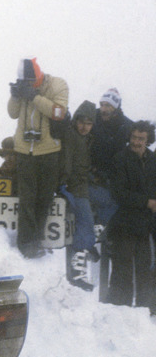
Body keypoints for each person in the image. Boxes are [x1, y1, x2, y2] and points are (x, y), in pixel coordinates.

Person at [7, 57, 69, 258]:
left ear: (38, 75)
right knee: (26, 199)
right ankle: (26, 245)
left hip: (49, 151)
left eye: (30, 82)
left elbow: (59, 112)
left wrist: (34, 97)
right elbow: (12, 114)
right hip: (25, 151)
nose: (27, 85)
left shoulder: (58, 84)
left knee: (43, 199)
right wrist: (15, 96)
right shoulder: (23, 88)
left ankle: (37, 240)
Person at [106, 121, 156, 313]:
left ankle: (147, 310)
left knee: (145, 268)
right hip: (125, 222)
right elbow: (119, 193)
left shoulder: (152, 159)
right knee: (122, 269)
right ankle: (117, 310)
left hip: (146, 224)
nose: (136, 142)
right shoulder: (120, 159)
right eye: (134, 137)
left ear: (148, 140)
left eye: (141, 139)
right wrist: (147, 202)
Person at [59, 100, 98, 290]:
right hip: (73, 187)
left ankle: (91, 238)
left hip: (84, 184)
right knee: (85, 221)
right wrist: (63, 185)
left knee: (110, 201)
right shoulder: (71, 136)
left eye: (89, 123)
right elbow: (67, 162)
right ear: (75, 121)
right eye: (81, 122)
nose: (84, 127)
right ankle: (77, 271)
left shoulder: (86, 139)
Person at [89, 88, 133, 231]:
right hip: (92, 173)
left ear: (116, 107)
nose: (103, 109)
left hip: (114, 174)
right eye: (102, 104)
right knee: (109, 200)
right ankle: (105, 231)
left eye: (108, 105)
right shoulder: (91, 119)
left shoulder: (127, 126)